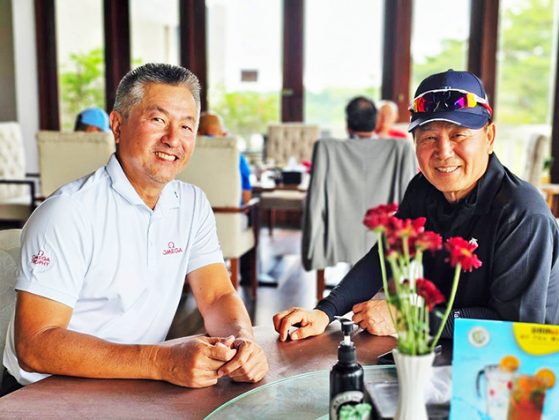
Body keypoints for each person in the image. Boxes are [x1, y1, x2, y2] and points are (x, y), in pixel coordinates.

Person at [1, 63, 268, 396]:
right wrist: (161, 361)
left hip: (135, 382)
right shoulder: (68, 211)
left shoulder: (192, 204)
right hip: (43, 394)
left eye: (186, 126)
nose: (173, 139)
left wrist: (242, 341)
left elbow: (216, 296)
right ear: (117, 125)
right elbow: (35, 344)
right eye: (158, 120)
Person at [274, 69, 559, 342]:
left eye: (458, 135)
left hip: (523, 361)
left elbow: (513, 325)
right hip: (444, 346)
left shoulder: (522, 213)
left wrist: (409, 318)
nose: (443, 152)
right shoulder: (423, 189)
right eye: (429, 137)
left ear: (489, 137)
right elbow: (386, 255)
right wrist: (325, 312)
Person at [197, 111, 252, 205]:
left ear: (197, 131)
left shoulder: (186, 154)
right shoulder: (236, 156)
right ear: (222, 132)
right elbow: (246, 197)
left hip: (191, 213)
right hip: (230, 213)